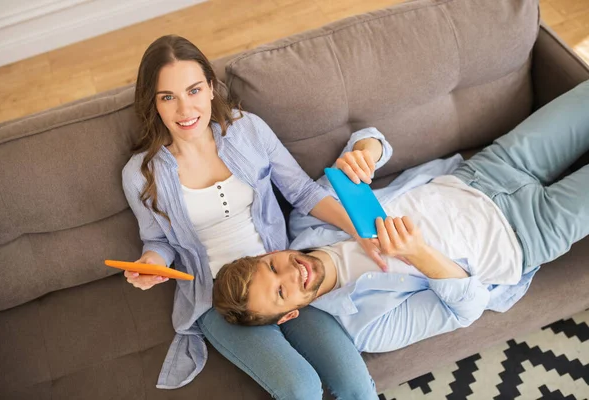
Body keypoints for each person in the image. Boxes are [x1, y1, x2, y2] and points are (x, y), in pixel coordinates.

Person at [212, 80, 589, 354]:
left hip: (486, 172)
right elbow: (466, 309)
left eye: (273, 266)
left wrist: (366, 152)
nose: (292, 273)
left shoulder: (308, 221)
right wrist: (418, 253)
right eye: (281, 292)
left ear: (266, 254)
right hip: (528, 234)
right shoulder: (367, 327)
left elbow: (371, 138)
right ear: (288, 315)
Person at [121, 34, 389, 398]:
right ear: (153, 104)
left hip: (283, 274)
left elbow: (303, 192)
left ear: (212, 88)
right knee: (301, 388)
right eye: (168, 97)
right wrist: (150, 264)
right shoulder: (141, 173)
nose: (185, 110)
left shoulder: (247, 129)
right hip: (220, 297)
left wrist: (360, 232)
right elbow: (157, 241)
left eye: (194, 90)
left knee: (357, 387)